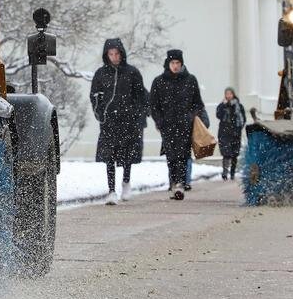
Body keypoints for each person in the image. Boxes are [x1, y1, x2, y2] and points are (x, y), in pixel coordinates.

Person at [89, 38, 147, 205]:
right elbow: (95, 95)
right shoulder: (100, 74)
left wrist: (136, 115)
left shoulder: (132, 73)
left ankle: (126, 183)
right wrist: (99, 113)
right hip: (109, 122)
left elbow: (140, 97)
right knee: (109, 157)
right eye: (111, 54)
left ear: (121, 54)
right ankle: (111, 190)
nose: (114, 57)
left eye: (116, 53)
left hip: (128, 121)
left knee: (127, 155)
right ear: (106, 55)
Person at [150, 49, 204, 200]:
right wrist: (160, 121)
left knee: (183, 155)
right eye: (172, 63)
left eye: (178, 63)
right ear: (168, 64)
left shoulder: (190, 80)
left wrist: (190, 116)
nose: (175, 66)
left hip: (184, 125)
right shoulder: (159, 82)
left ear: (182, 64)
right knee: (171, 156)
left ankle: (180, 184)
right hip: (167, 125)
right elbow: (153, 105)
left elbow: (198, 103)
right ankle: (174, 182)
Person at [216, 87, 247, 181]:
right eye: (227, 94)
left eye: (230, 94)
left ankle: (232, 173)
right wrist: (223, 106)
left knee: (234, 153)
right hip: (224, 132)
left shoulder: (238, 106)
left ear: (233, 94)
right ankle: (225, 173)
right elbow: (218, 115)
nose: (228, 96)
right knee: (226, 153)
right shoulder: (222, 105)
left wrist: (238, 129)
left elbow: (243, 119)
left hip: (235, 133)